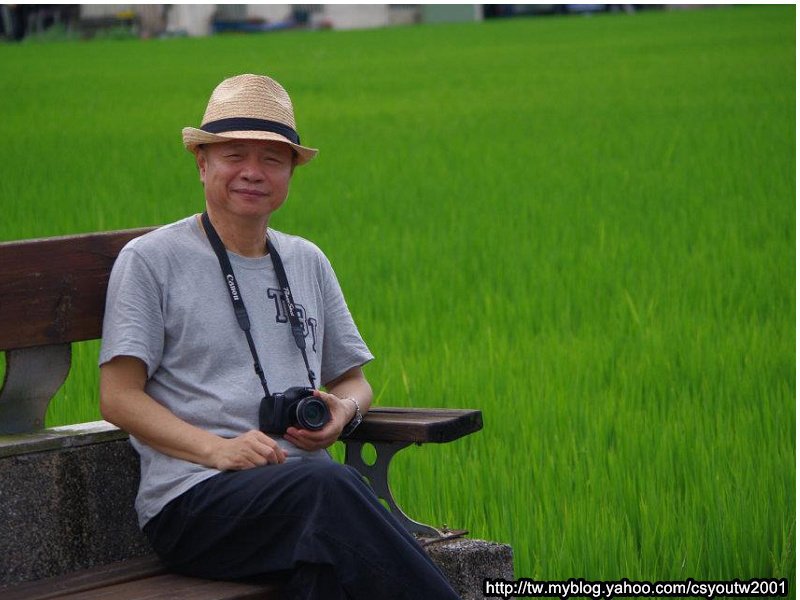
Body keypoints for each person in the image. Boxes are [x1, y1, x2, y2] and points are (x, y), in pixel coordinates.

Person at [99, 74, 460, 600]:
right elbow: (118, 395)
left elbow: (354, 381)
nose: (252, 172)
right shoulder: (152, 261)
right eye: (233, 155)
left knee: (321, 577)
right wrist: (215, 450)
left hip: (302, 502)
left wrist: (342, 412)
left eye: (272, 159)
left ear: (291, 171)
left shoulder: (306, 260)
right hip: (197, 501)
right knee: (331, 488)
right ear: (202, 163)